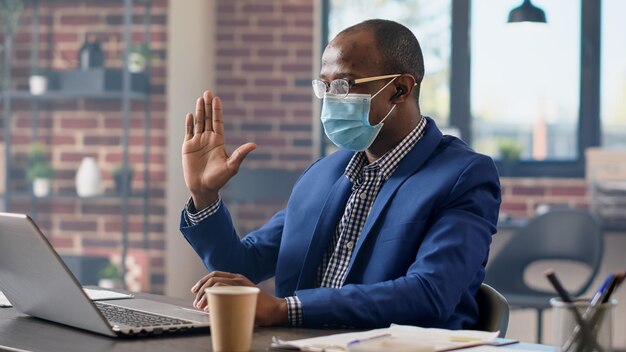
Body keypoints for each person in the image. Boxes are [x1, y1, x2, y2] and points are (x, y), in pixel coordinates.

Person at [180, 19, 501, 329]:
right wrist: (204, 195)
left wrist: (286, 309)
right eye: (325, 86)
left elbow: (430, 293)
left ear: (400, 89)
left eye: (344, 84)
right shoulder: (323, 173)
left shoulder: (463, 176)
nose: (331, 99)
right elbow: (241, 268)